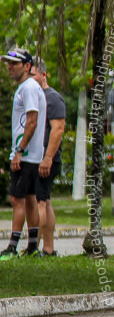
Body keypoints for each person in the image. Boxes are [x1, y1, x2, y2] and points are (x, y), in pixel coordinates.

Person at [2, 48, 46, 259]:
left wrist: (19, 151)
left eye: (14, 63)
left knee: (16, 199)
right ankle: (32, 247)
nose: (9, 67)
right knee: (29, 199)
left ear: (27, 66)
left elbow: (32, 120)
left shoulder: (28, 88)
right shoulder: (28, 87)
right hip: (30, 154)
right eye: (8, 63)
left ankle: (11, 247)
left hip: (26, 154)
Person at [30, 59, 65, 257]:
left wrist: (47, 157)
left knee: (39, 202)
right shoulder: (36, 97)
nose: (31, 79)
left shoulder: (53, 98)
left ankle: (34, 247)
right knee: (46, 200)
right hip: (37, 157)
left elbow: (58, 129)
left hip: (47, 159)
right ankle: (48, 249)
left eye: (34, 75)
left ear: (44, 74)